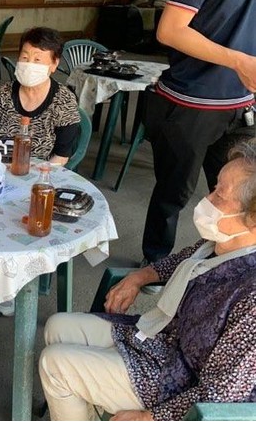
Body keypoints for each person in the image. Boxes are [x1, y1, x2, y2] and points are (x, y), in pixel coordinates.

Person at [39, 138, 256, 421]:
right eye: (214, 187)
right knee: (57, 326)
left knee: (55, 364)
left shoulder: (250, 297)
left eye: (220, 196)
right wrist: (140, 277)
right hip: (161, 338)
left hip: (175, 384)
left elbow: (222, 395)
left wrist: (151, 417)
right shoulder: (221, 244)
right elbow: (185, 260)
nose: (208, 199)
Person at [142, 0, 256, 264]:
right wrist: (238, 61)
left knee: (240, 198)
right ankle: (155, 263)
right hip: (192, 101)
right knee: (173, 193)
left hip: (241, 103)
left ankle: (226, 268)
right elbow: (170, 29)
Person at [0, 26, 81, 166]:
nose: (29, 64)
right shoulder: (4, 93)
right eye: (24, 57)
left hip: (40, 173)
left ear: (54, 64)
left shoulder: (64, 101)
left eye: (37, 59)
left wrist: (33, 177)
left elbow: (61, 157)